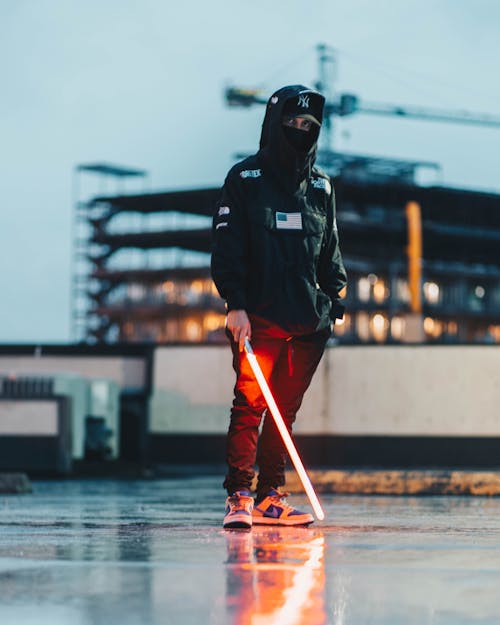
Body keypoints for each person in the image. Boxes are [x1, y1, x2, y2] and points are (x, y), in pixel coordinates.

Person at [211, 84, 347, 528]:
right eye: (293, 124)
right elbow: (227, 245)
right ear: (274, 124)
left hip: (308, 324)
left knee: (284, 413)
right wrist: (236, 303)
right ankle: (239, 497)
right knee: (250, 406)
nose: (301, 132)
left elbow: (330, 252)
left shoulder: (321, 187)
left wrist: (332, 303)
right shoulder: (245, 179)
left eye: (310, 127)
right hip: (258, 320)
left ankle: (272, 496)